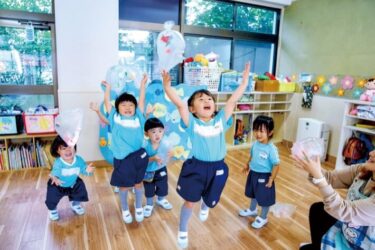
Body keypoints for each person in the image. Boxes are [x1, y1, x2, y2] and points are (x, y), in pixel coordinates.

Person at [162, 62, 251, 248]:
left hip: (218, 167)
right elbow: (179, 104)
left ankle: (205, 204)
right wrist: (167, 87)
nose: (207, 101)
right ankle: (183, 230)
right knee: (189, 201)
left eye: (209, 99)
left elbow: (232, 101)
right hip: (197, 167)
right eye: (201, 99)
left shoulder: (220, 121)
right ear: (193, 109)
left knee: (210, 201)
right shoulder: (192, 123)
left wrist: (243, 83)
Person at [293, 150, 375, 249]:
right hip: (348, 229)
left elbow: (343, 210)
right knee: (318, 209)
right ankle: (317, 245)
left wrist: (319, 178)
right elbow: (330, 177)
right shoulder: (362, 170)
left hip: (364, 244)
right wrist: (314, 169)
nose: (371, 153)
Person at [101, 74, 149, 224]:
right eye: (123, 105)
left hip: (138, 157)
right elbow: (108, 105)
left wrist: (142, 86)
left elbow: (141, 101)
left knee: (138, 183)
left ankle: (139, 206)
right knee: (123, 186)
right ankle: (125, 208)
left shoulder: (139, 118)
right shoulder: (115, 118)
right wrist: (107, 90)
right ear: (117, 108)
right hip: (122, 158)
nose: (128, 107)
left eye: (131, 105)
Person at [238, 115, 280, 229]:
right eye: (256, 130)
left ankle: (263, 217)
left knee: (264, 197)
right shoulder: (255, 144)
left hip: (265, 176)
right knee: (253, 193)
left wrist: (272, 178)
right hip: (253, 173)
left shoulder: (271, 148)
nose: (258, 134)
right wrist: (247, 165)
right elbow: (252, 156)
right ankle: (252, 209)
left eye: (261, 131)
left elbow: (276, 164)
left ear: (270, 132)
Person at [45, 136, 95, 221]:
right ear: (58, 151)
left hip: (72, 183)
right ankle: (52, 210)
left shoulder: (78, 160)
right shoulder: (58, 162)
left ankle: (75, 204)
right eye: (64, 148)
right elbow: (56, 171)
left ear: (74, 148)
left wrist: (88, 170)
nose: (68, 150)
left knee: (80, 186)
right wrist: (55, 178)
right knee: (52, 197)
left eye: (70, 147)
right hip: (58, 184)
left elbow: (83, 169)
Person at [143, 117, 173, 218]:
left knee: (163, 185)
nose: (157, 134)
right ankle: (149, 204)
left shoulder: (164, 143)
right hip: (148, 171)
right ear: (147, 133)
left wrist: (170, 154)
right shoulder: (145, 146)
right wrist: (152, 158)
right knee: (149, 188)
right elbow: (141, 160)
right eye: (153, 132)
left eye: (160, 131)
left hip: (161, 169)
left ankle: (161, 199)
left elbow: (167, 156)